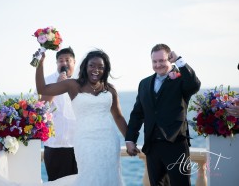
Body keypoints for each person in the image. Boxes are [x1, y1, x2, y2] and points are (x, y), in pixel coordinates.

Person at [36, 49, 127, 186]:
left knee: (109, 176)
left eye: (101, 67)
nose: (96, 69)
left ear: (106, 69)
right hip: (85, 141)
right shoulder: (73, 85)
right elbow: (42, 89)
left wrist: (130, 139)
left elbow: (119, 117)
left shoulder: (110, 90)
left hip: (109, 142)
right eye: (92, 65)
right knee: (89, 177)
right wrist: (40, 63)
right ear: (85, 66)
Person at [125, 44, 201, 186]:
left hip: (176, 144)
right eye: (154, 61)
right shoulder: (144, 83)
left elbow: (194, 84)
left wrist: (179, 60)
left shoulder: (181, 79)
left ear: (170, 59)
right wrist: (130, 139)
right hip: (152, 146)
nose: (158, 65)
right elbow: (137, 113)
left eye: (162, 60)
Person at [41, 47, 78, 181]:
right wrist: (57, 86)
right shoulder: (46, 81)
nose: (64, 63)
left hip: (79, 144)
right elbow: (41, 107)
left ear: (74, 62)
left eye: (68, 60)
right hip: (55, 145)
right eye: (60, 60)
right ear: (57, 63)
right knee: (57, 182)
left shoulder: (81, 81)